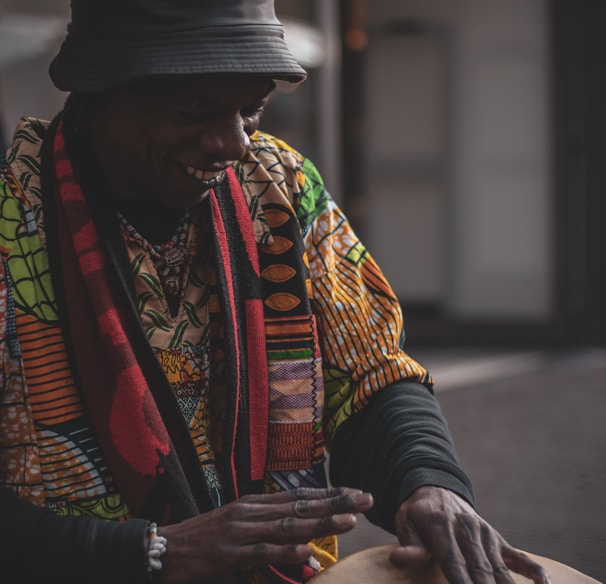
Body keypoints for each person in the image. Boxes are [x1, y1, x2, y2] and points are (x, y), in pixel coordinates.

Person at [0, 1, 551, 583]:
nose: (233, 143)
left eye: (252, 109)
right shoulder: (15, 219)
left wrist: (429, 479)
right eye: (194, 111)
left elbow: (369, 373)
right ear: (99, 88)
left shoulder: (279, 184)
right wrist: (152, 552)